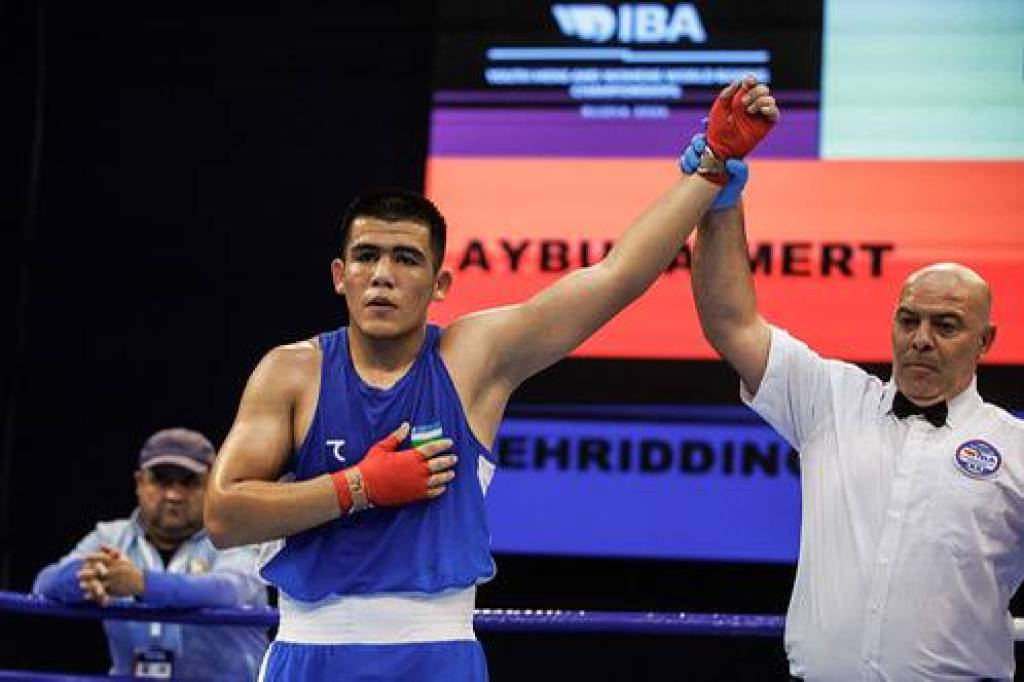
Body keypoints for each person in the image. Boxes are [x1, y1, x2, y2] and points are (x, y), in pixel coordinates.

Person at [203, 79, 779, 680]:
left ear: (440, 285)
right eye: (367, 256)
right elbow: (223, 515)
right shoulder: (293, 371)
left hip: (436, 655)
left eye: (406, 259)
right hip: (308, 652)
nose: (382, 275)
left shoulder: (470, 359)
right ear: (339, 275)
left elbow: (614, 277)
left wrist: (710, 167)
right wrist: (357, 487)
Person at [683, 134, 1024, 679]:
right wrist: (718, 197)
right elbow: (730, 322)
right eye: (909, 320)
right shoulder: (832, 399)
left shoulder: (1015, 448)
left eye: (946, 325)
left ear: (985, 342)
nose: (921, 339)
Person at [33, 427, 269, 681]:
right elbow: (44, 583)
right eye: (161, 480)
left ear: (212, 486)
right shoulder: (110, 537)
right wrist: (86, 577)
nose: (174, 495)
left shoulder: (235, 536)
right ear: (139, 483)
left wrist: (143, 584)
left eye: (189, 482)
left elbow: (228, 589)